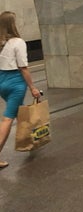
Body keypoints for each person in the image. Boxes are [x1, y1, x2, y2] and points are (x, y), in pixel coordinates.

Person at [0, 11, 43, 169]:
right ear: (13, 24)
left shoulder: (1, 43)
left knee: (20, 111)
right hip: (16, 83)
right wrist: (33, 87)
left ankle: (30, 140)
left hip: (2, 81)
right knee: (8, 118)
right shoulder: (18, 42)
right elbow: (23, 68)